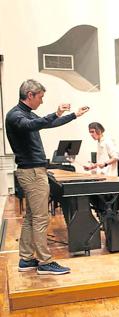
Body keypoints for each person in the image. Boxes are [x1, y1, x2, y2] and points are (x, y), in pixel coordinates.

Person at [6, 79, 89, 275]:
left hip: (33, 171)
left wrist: (73, 115)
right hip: (32, 172)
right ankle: (45, 262)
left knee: (31, 218)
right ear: (30, 96)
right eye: (40, 97)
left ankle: (26, 259)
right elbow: (35, 123)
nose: (42, 101)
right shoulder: (16, 116)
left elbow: (47, 123)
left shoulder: (25, 113)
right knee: (41, 218)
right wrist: (57, 112)